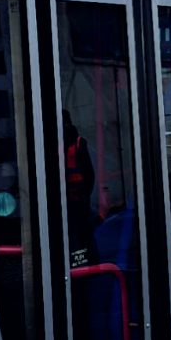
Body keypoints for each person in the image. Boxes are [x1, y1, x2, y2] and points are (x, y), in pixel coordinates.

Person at [62, 109, 96, 268]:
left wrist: (84, 195)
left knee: (78, 234)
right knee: (80, 234)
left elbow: (89, 174)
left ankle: (84, 264)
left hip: (73, 200)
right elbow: (89, 174)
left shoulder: (77, 143)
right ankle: (85, 262)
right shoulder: (75, 142)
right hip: (75, 200)